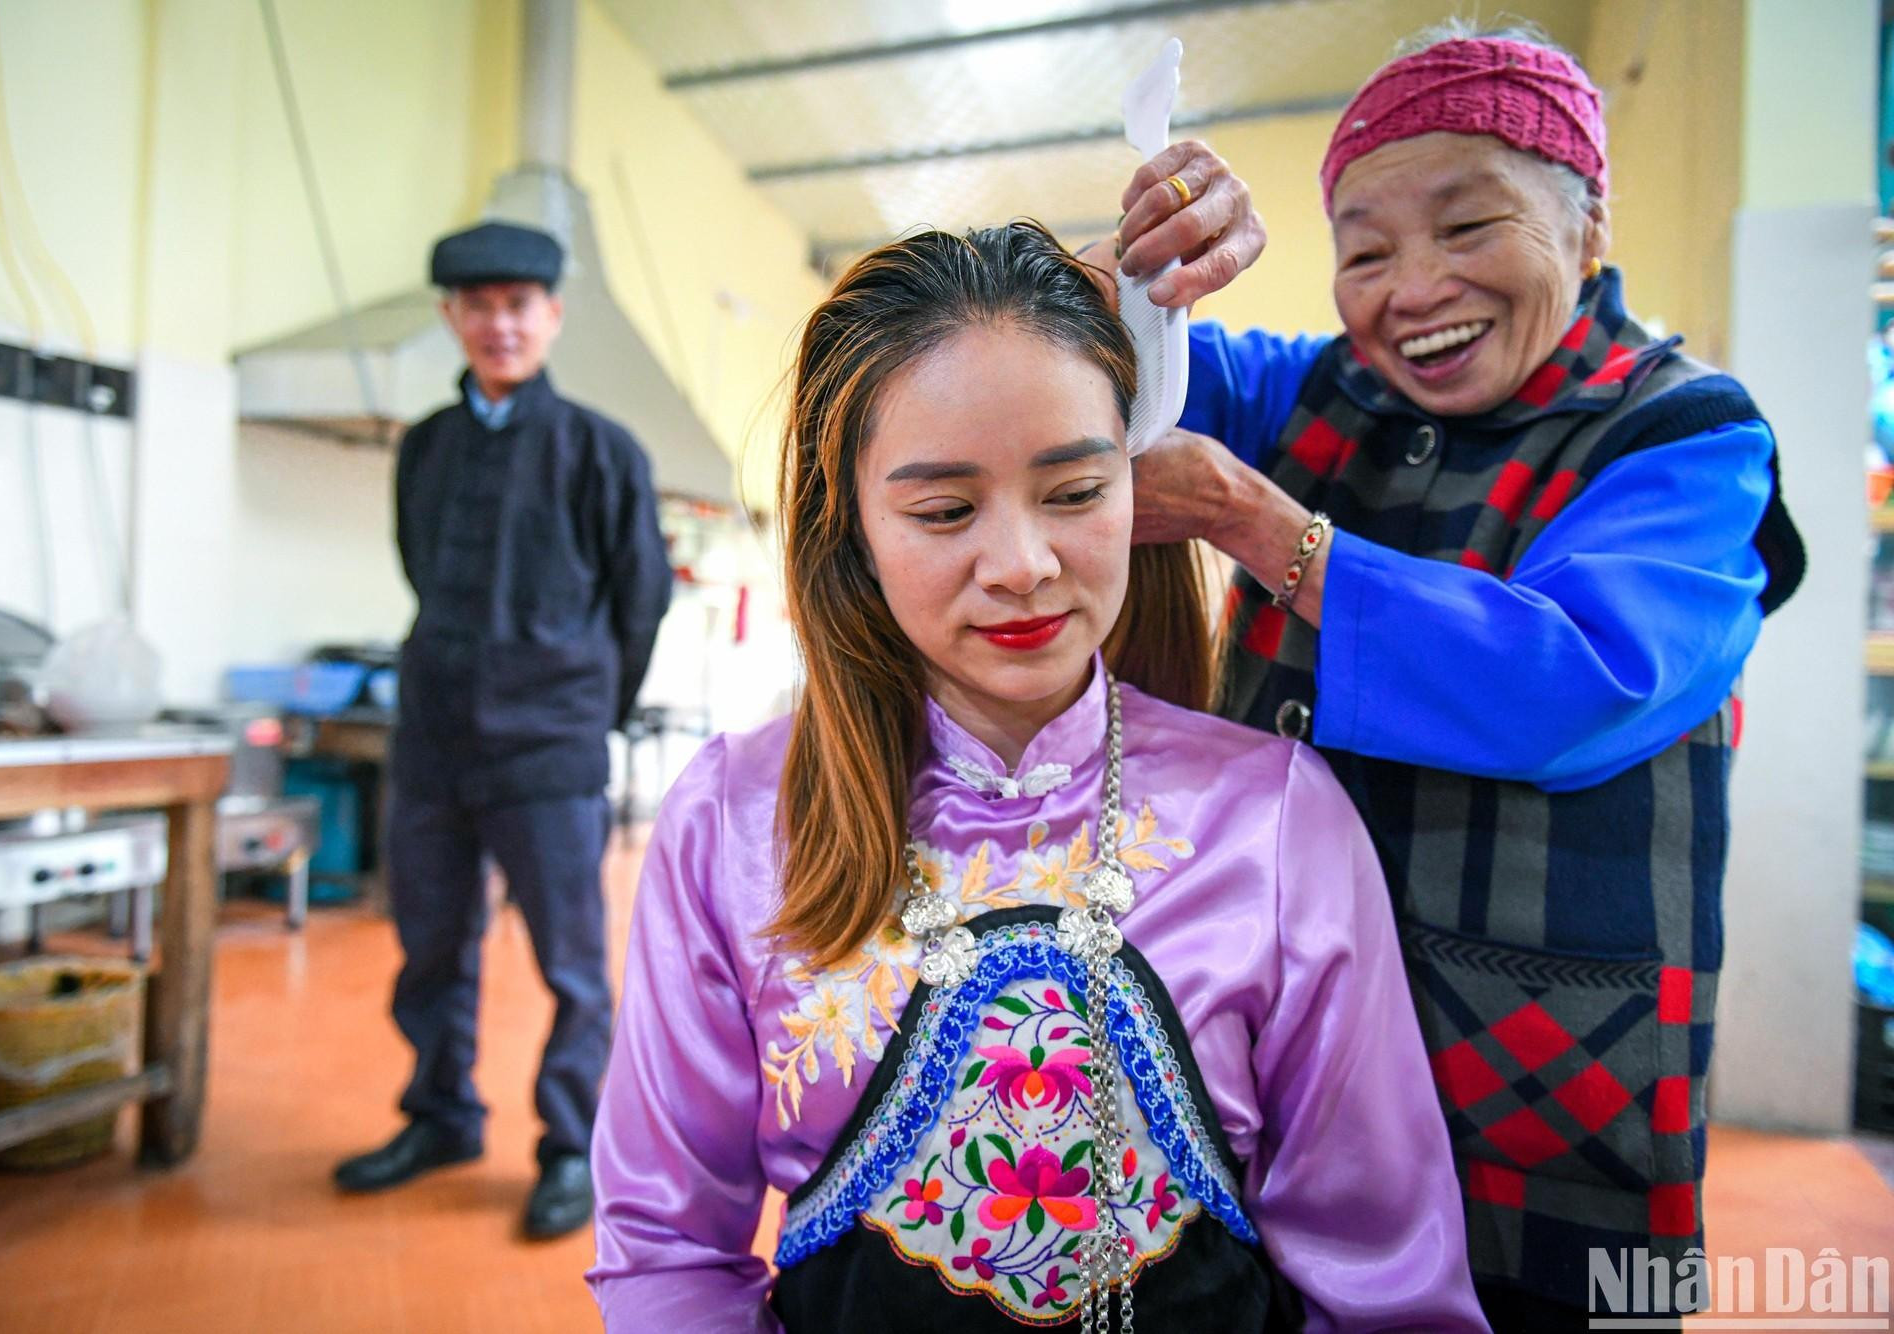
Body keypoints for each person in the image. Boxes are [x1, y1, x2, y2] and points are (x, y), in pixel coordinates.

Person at [587, 222, 1485, 1331]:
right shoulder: (730, 822)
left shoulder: (1273, 818)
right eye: (943, 510)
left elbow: (1385, 1283)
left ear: (1133, 487)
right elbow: (668, 1251)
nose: (1021, 565)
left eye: (1072, 492)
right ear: (853, 529)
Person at [1095, 23, 1808, 1330]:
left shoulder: (1688, 439)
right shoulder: (1321, 391)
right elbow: (1127, 379)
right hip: (1301, 1059)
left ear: (1589, 231)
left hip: (1540, 1092)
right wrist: (1138, 262)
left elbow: (1574, 682)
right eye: (1363, 250)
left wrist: (1264, 528)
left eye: (1469, 227)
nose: (1411, 287)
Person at [333, 220, 674, 1242]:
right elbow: (418, 567)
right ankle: (439, 1116)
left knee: (572, 965)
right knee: (429, 947)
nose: (498, 323)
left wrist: (588, 712)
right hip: (433, 740)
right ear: (451, 318)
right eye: (477, 305)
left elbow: (640, 599)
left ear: (551, 316)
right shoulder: (426, 447)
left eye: (518, 303)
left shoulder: (601, 451)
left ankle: (571, 1143)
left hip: (549, 749)